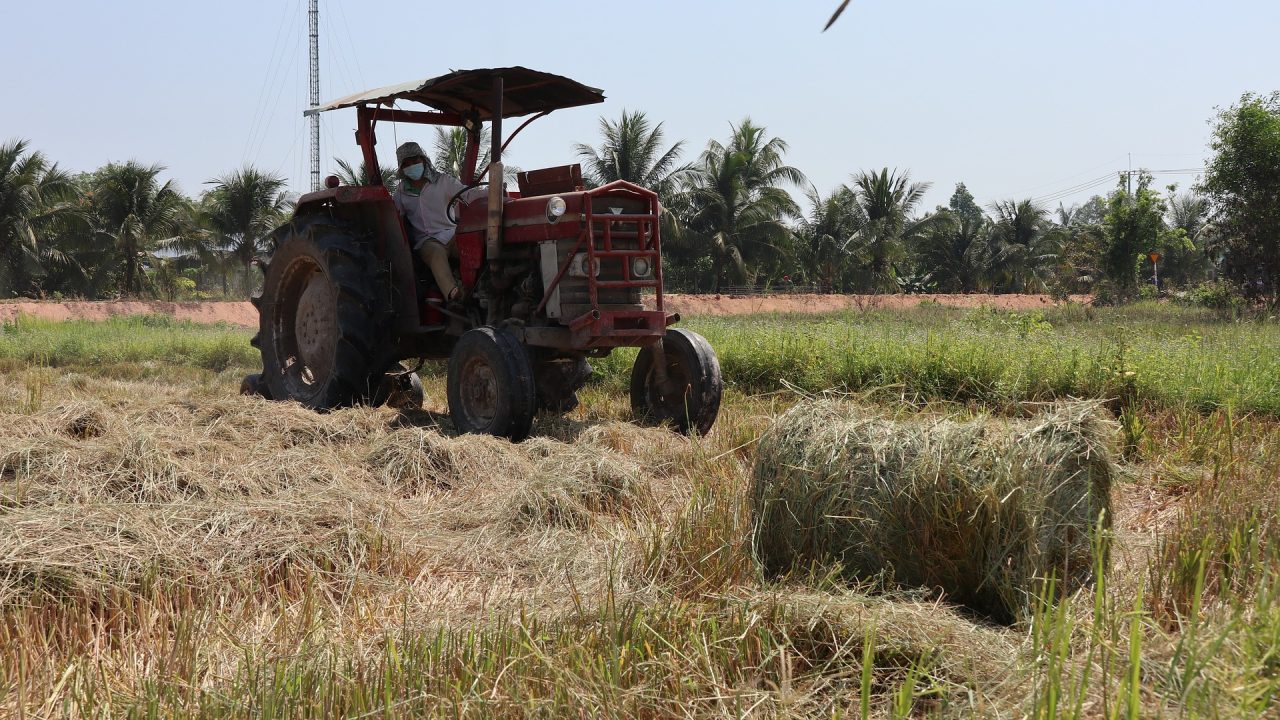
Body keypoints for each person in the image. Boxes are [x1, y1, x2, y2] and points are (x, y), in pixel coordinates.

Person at [392, 141, 486, 302]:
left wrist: (491, 193)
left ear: (423, 160)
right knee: (436, 254)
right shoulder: (400, 193)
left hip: (451, 234)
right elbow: (396, 219)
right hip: (426, 240)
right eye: (406, 164)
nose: (412, 166)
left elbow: (467, 194)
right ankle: (454, 295)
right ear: (402, 168)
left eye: (415, 161)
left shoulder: (443, 181)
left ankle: (484, 287)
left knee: (474, 248)